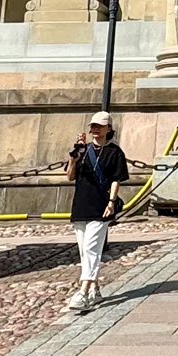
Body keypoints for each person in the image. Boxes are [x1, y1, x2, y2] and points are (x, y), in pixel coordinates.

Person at [66, 111, 127, 313]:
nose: (95, 129)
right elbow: (70, 176)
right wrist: (74, 157)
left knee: (92, 248)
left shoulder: (115, 152)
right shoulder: (83, 150)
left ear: (108, 128)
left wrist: (111, 202)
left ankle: (83, 292)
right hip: (81, 206)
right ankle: (96, 289)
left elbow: (116, 179)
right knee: (84, 251)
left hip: (101, 207)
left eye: (99, 126)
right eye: (93, 126)